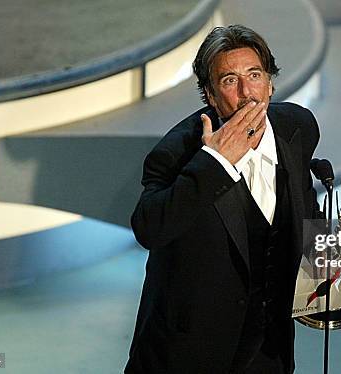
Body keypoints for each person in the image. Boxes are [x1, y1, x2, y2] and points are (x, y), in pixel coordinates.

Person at [125, 24, 321, 373]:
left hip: (269, 351)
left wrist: (320, 278)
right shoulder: (176, 152)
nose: (247, 93)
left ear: (270, 82)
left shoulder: (297, 128)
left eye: (255, 75)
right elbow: (148, 229)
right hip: (189, 355)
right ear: (210, 96)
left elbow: (305, 209)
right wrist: (214, 164)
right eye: (230, 80)